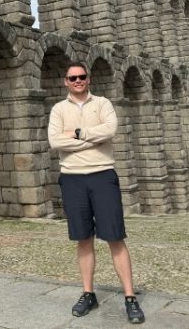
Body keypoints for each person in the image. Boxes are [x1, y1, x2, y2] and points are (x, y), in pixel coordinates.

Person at [48, 62, 144, 324]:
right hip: (72, 179)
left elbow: (109, 131)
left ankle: (130, 297)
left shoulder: (103, 104)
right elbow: (55, 141)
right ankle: (88, 293)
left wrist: (77, 134)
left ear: (88, 79)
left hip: (103, 176)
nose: (77, 80)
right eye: (72, 77)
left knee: (115, 236)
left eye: (81, 76)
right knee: (83, 238)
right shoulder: (58, 109)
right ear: (65, 82)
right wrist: (93, 139)